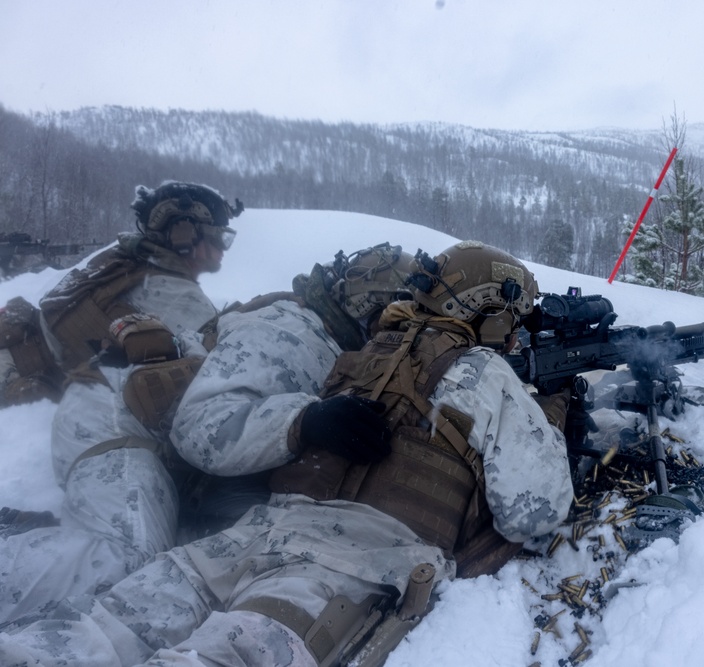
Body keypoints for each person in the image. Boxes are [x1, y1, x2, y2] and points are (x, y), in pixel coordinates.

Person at [0, 240, 574, 667]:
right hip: (350, 565)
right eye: (512, 324)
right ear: (490, 314)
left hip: (246, 539)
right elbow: (534, 514)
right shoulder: (486, 373)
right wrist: (550, 421)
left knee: (91, 634)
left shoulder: (352, 358)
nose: (514, 338)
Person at [0, 241, 414, 627]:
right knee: (127, 560)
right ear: (367, 308)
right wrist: (305, 420)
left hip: (150, 432)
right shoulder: (296, 333)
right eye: (393, 317)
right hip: (113, 419)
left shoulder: (325, 339)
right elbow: (201, 426)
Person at [0, 181, 241, 408]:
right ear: (185, 234)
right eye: (220, 237)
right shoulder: (175, 293)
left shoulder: (124, 258)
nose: (224, 249)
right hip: (17, 382)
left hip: (16, 353)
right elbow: (229, 364)